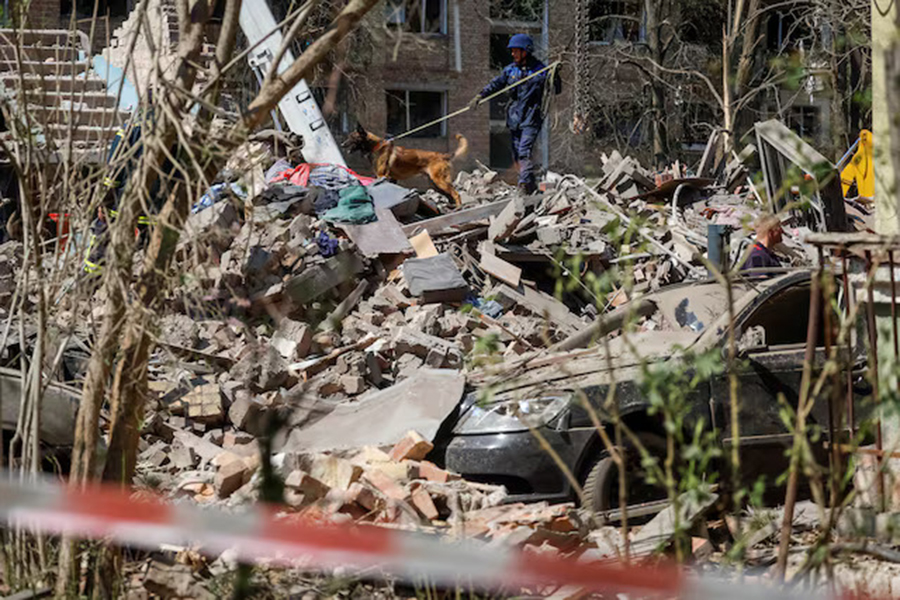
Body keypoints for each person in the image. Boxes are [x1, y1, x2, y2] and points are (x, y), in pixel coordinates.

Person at [468, 33, 561, 195]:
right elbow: (495, 84)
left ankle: (523, 184)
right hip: (514, 118)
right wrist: (480, 95)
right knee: (517, 155)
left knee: (524, 151)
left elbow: (557, 89)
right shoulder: (510, 71)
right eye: (512, 51)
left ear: (526, 51)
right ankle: (531, 187)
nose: (513, 54)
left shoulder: (540, 70)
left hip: (531, 118)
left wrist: (556, 75)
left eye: (516, 51)